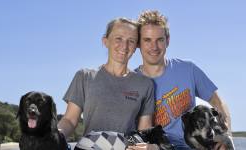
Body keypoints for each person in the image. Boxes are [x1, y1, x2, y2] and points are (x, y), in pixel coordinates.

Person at [134, 10, 233, 150]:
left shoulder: (188, 69)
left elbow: (216, 100)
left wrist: (225, 136)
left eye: (160, 40)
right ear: (138, 43)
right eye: (147, 40)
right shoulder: (131, 82)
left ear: (167, 41)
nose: (154, 47)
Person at [58, 18, 158, 149]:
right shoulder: (85, 76)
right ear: (105, 41)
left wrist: (152, 147)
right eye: (118, 39)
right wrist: (56, 135)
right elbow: (70, 120)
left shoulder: (145, 84)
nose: (124, 46)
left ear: (136, 47)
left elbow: (144, 130)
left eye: (131, 41)